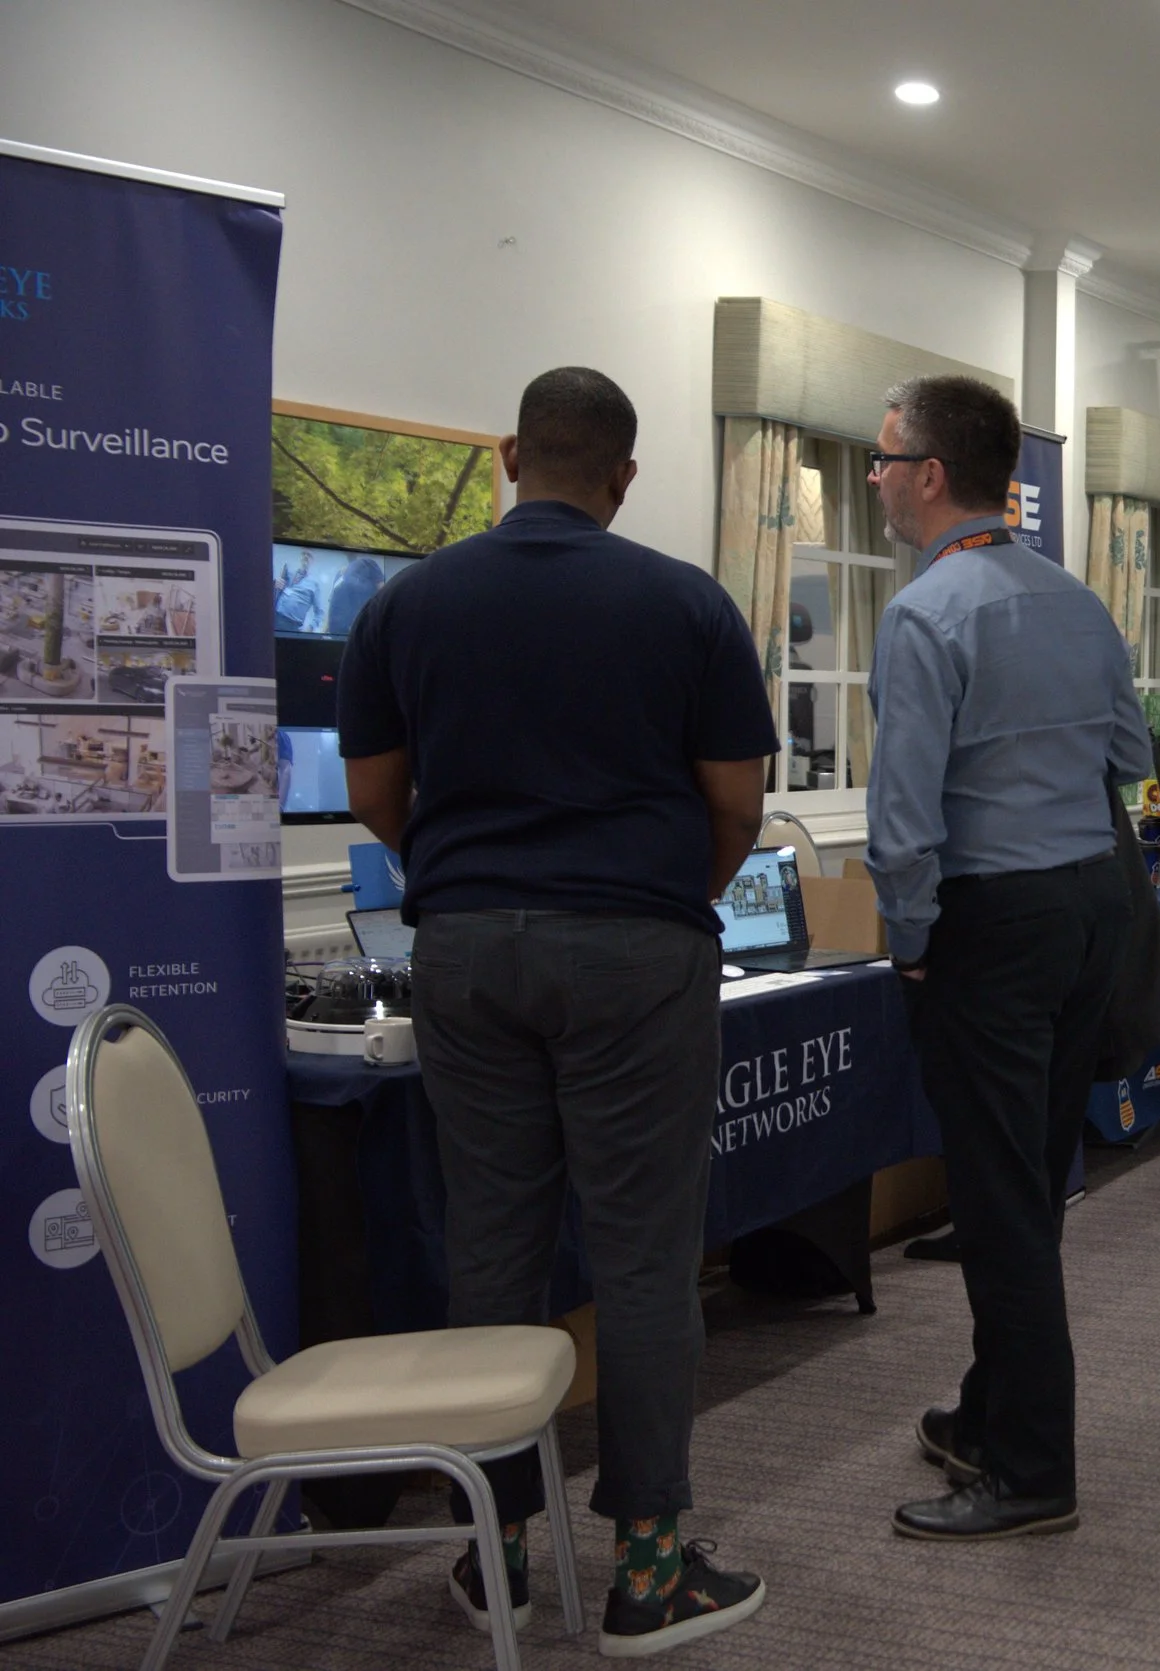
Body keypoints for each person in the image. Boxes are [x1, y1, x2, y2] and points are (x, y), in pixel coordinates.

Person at [337, 367, 773, 1657]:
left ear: (510, 458)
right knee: (643, 1260)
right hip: (637, 950)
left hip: (465, 950)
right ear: (624, 477)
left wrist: (472, 887)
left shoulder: (404, 603)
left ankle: (498, 1556)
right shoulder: (689, 603)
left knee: (494, 1247)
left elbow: (373, 795)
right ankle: (647, 1574)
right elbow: (737, 804)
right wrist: (662, 903)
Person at [865, 374, 1152, 1542]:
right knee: (1030, 1184)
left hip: (993, 924)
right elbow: (1129, 751)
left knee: (998, 1207)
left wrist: (915, 944)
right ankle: (990, 1414)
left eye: (885, 458)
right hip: (1088, 907)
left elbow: (901, 823)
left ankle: (1032, 1473)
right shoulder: (1079, 599)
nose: (875, 475)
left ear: (931, 476)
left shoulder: (925, 614)